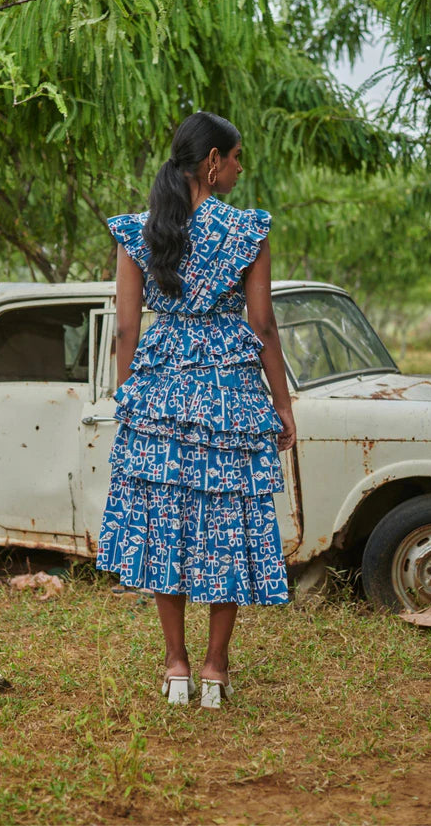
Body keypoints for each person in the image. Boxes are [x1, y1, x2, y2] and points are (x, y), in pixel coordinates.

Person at [96, 112, 296, 709]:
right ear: (212, 161)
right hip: (231, 397)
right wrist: (283, 405)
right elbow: (261, 324)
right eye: (236, 158)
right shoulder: (246, 232)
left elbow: (126, 332)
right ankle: (215, 669)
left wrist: (131, 400)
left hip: (159, 389)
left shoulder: (138, 232)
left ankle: (176, 665)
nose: (239, 168)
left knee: (166, 524)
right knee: (226, 525)